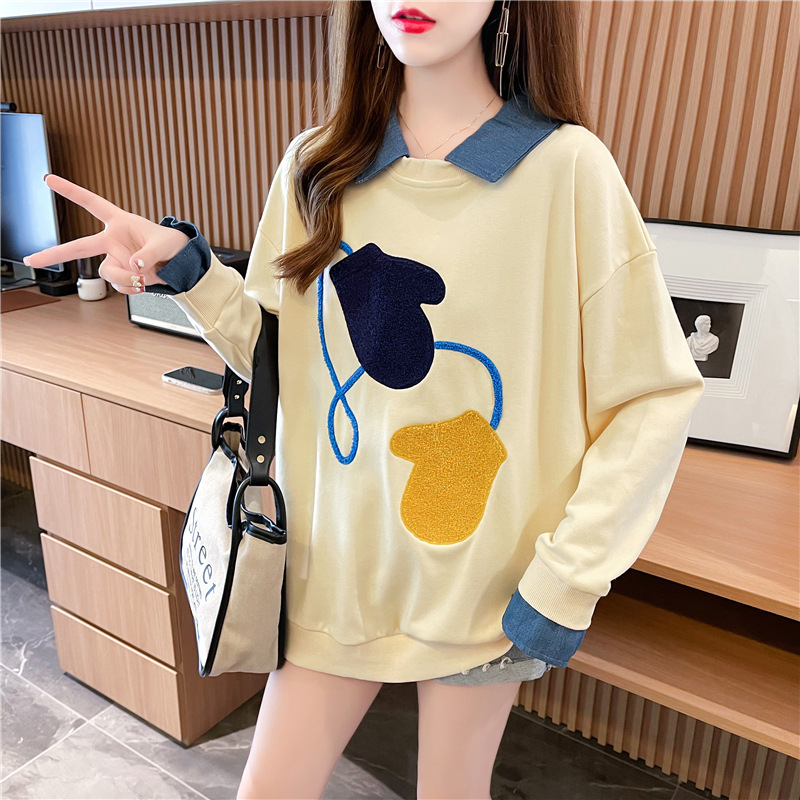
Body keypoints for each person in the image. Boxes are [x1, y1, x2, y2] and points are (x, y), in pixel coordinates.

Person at [22, 2, 706, 798]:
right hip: (334, 570)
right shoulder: (316, 164)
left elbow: (652, 396)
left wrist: (566, 579)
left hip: (487, 587)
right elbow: (280, 363)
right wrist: (189, 270)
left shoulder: (567, 171)